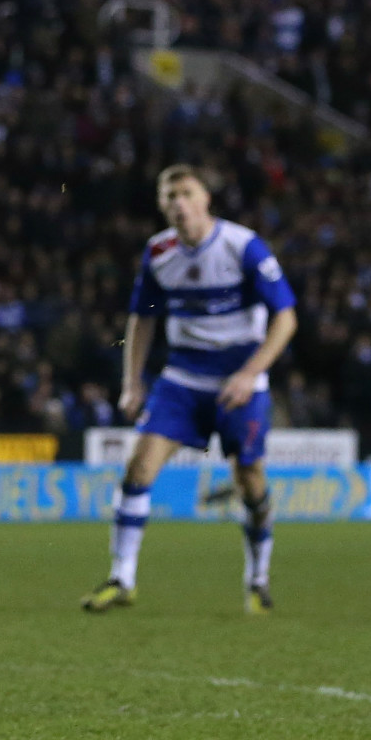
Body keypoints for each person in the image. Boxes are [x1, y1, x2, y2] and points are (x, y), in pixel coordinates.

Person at [81, 165, 297, 614]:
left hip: (241, 380)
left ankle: (257, 577)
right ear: (162, 206)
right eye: (169, 196)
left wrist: (249, 373)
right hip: (183, 378)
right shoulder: (158, 252)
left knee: (250, 482)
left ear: (205, 199)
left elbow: (286, 319)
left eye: (186, 193)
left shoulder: (244, 247)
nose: (178, 203)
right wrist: (132, 381)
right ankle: (122, 578)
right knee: (138, 467)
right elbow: (143, 318)